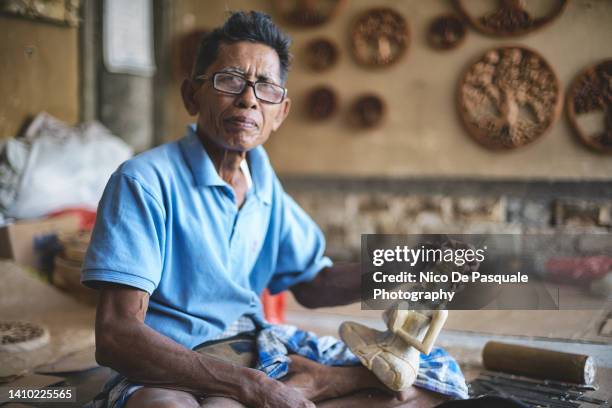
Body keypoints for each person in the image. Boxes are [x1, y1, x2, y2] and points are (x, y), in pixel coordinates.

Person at [82, 11, 466, 408]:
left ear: (280, 112)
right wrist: (248, 386)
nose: (248, 98)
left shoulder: (262, 181)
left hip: (252, 346)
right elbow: (116, 335)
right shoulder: (144, 180)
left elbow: (313, 284)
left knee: (432, 371)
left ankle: (323, 381)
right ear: (191, 95)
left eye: (265, 86)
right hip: (165, 360)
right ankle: (318, 382)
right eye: (230, 80)